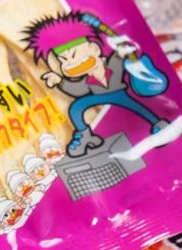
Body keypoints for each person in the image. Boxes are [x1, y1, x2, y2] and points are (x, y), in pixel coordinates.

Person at [22, 11, 169, 157]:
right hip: (96, 96)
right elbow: (77, 90)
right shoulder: (86, 80)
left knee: (136, 106)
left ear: (95, 49)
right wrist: (60, 81)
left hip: (118, 93)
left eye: (73, 56)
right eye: (63, 61)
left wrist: (122, 53)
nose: (70, 64)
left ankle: (157, 123)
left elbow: (122, 56)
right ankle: (85, 136)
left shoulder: (113, 63)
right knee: (76, 107)